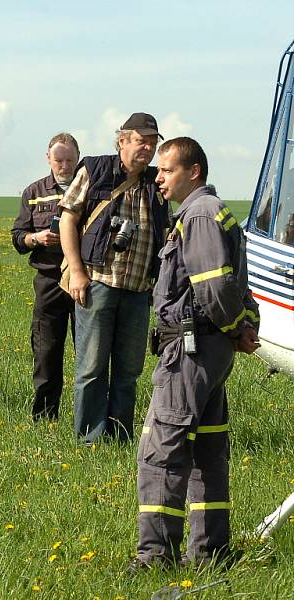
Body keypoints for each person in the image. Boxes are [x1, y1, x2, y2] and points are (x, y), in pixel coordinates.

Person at [132, 137, 260, 570]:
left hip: (190, 350)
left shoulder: (200, 214)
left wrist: (234, 326)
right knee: (207, 451)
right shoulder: (211, 212)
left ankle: (155, 558)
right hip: (209, 348)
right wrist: (240, 327)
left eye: (166, 170)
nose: (159, 177)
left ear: (194, 172)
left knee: (161, 450)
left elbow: (216, 286)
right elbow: (239, 284)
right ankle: (209, 552)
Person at [59, 112, 169, 444]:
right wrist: (76, 271)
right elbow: (67, 219)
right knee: (91, 368)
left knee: (128, 372)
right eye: (141, 141)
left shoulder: (155, 181)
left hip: (138, 290)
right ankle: (90, 440)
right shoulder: (95, 170)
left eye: (152, 142)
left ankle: (120, 438)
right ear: (122, 141)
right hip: (98, 282)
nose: (147, 148)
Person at [11, 133, 79, 420]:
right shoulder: (34, 192)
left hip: (83, 279)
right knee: (46, 350)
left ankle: (86, 415)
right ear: (48, 159)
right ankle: (44, 416)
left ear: (78, 158)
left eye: (69, 160)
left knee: (88, 352)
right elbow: (17, 238)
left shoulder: (91, 188)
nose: (64, 165)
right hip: (49, 280)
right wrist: (36, 238)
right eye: (58, 159)